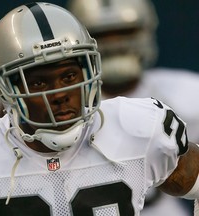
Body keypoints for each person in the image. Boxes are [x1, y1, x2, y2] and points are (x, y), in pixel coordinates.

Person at [0, 2, 199, 216]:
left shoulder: (140, 127)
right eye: (39, 82)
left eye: (69, 77)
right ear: (6, 89)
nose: (60, 94)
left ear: (90, 72)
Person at [67, 0, 199, 215]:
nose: (115, 43)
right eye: (102, 35)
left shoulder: (189, 94)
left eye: (125, 32)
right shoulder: (62, 108)